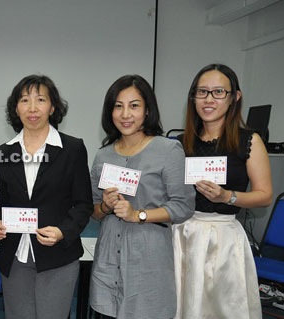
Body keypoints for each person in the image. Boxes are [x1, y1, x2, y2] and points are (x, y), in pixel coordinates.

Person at [89, 75, 195, 319]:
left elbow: (184, 206)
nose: (126, 114)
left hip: (148, 260)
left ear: (147, 110)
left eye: (134, 105)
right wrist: (105, 206)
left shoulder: (168, 150)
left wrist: (138, 214)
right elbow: (93, 211)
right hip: (107, 260)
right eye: (118, 106)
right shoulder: (103, 155)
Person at [173, 64, 272, 319]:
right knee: (180, 306)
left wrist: (227, 196)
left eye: (218, 92)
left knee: (222, 309)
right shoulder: (180, 143)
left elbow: (265, 195)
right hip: (181, 235)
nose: (208, 99)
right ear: (193, 97)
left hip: (223, 240)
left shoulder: (249, 140)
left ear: (234, 97)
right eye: (202, 92)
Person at [0, 75, 93, 319]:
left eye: (41, 100)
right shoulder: (2, 153)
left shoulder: (72, 149)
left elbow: (83, 204)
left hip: (57, 256)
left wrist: (62, 231)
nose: (32, 108)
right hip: (15, 256)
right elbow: (0, 204)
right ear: (16, 108)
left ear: (53, 107)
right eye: (25, 100)